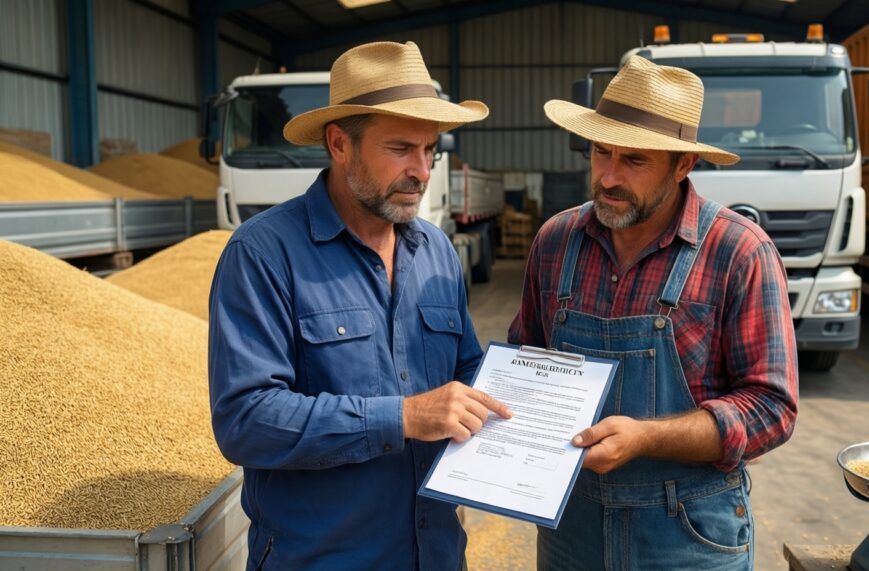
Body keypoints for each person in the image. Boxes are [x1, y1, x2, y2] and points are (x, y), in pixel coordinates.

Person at [208, 41, 511, 570]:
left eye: (430, 150)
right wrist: (402, 417)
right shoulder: (263, 254)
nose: (422, 171)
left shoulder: (436, 251)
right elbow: (246, 419)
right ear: (339, 143)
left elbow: (465, 369)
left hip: (436, 554)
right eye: (401, 149)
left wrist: (529, 399)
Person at [508, 55, 799, 570]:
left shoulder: (738, 252)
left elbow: (771, 409)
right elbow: (523, 363)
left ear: (683, 164)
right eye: (601, 152)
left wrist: (647, 437)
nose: (609, 177)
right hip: (571, 526)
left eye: (635, 161)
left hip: (688, 533)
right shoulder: (556, 241)